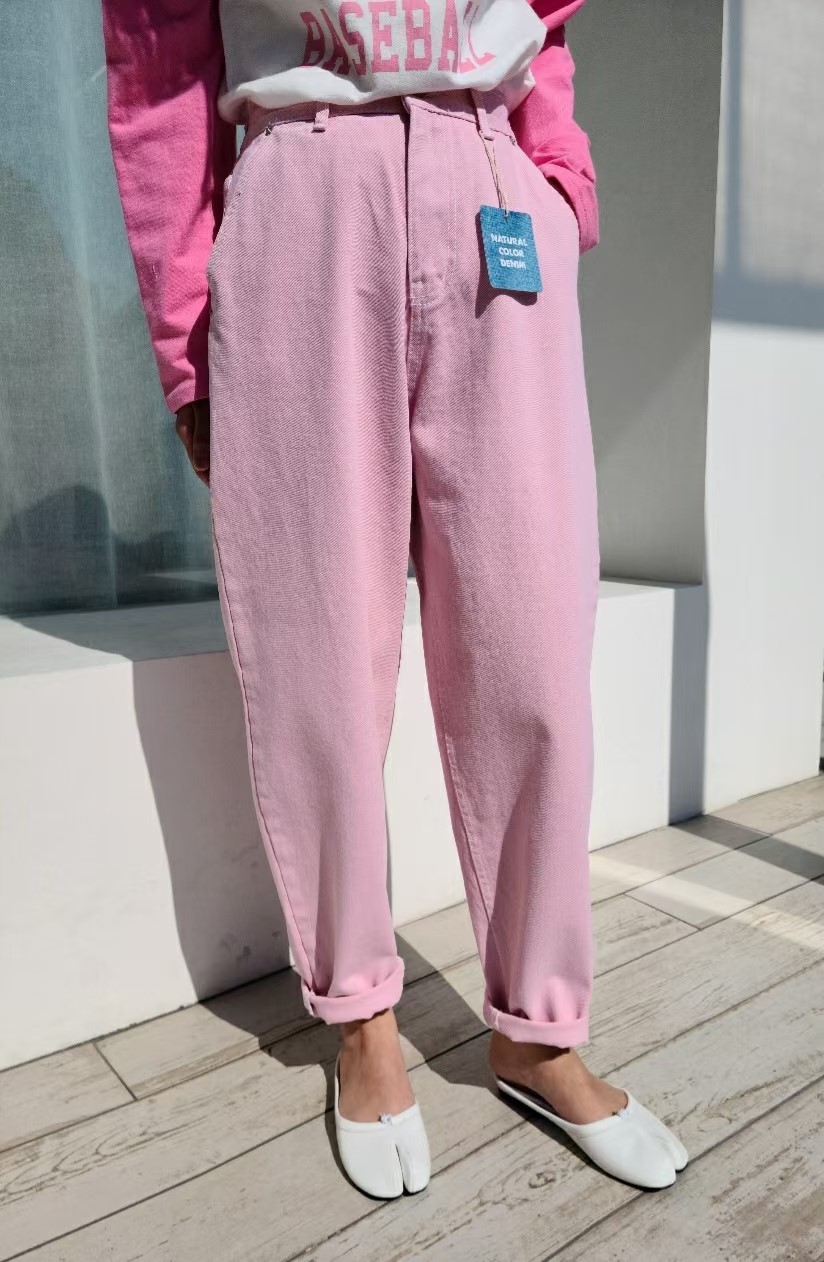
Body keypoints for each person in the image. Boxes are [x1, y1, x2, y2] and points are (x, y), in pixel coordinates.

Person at [102, 0, 687, 1197]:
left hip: (490, 183)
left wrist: (556, 179)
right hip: (303, 195)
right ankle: (360, 1015)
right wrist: (184, 341)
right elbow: (157, 66)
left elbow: (544, 23)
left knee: (532, 650)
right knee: (317, 653)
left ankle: (536, 1027)